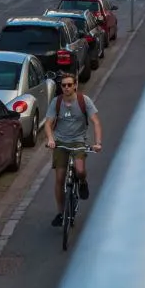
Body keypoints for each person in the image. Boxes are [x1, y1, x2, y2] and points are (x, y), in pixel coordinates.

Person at [45, 73, 102, 227]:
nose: (67, 88)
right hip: (61, 142)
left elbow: (95, 122)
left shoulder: (84, 101)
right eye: (64, 85)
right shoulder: (56, 102)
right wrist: (51, 139)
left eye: (69, 85)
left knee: (80, 170)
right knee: (59, 179)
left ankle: (82, 182)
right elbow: (48, 124)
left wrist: (97, 143)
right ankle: (61, 213)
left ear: (75, 85)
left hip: (78, 141)